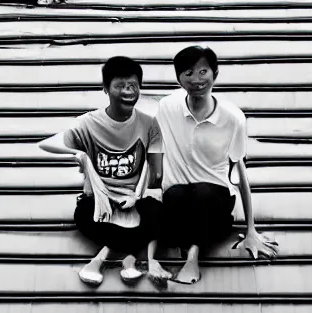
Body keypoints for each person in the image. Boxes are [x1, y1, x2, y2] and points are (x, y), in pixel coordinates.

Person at [38, 56, 171, 286]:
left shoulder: (150, 124)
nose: (128, 92)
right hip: (100, 203)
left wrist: (137, 196)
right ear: (105, 89)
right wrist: (78, 155)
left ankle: (105, 256)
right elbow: (47, 143)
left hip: (133, 202)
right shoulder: (89, 123)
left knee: (161, 213)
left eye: (133, 86)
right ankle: (129, 257)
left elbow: (156, 175)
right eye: (120, 86)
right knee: (83, 215)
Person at [156, 45, 278, 284]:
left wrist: (251, 230)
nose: (196, 79)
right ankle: (189, 249)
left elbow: (240, 171)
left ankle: (192, 257)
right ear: (179, 78)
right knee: (175, 195)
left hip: (215, 201)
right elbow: (150, 146)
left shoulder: (232, 118)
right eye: (188, 73)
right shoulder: (168, 108)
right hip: (178, 201)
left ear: (215, 74)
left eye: (203, 72)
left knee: (202, 193)